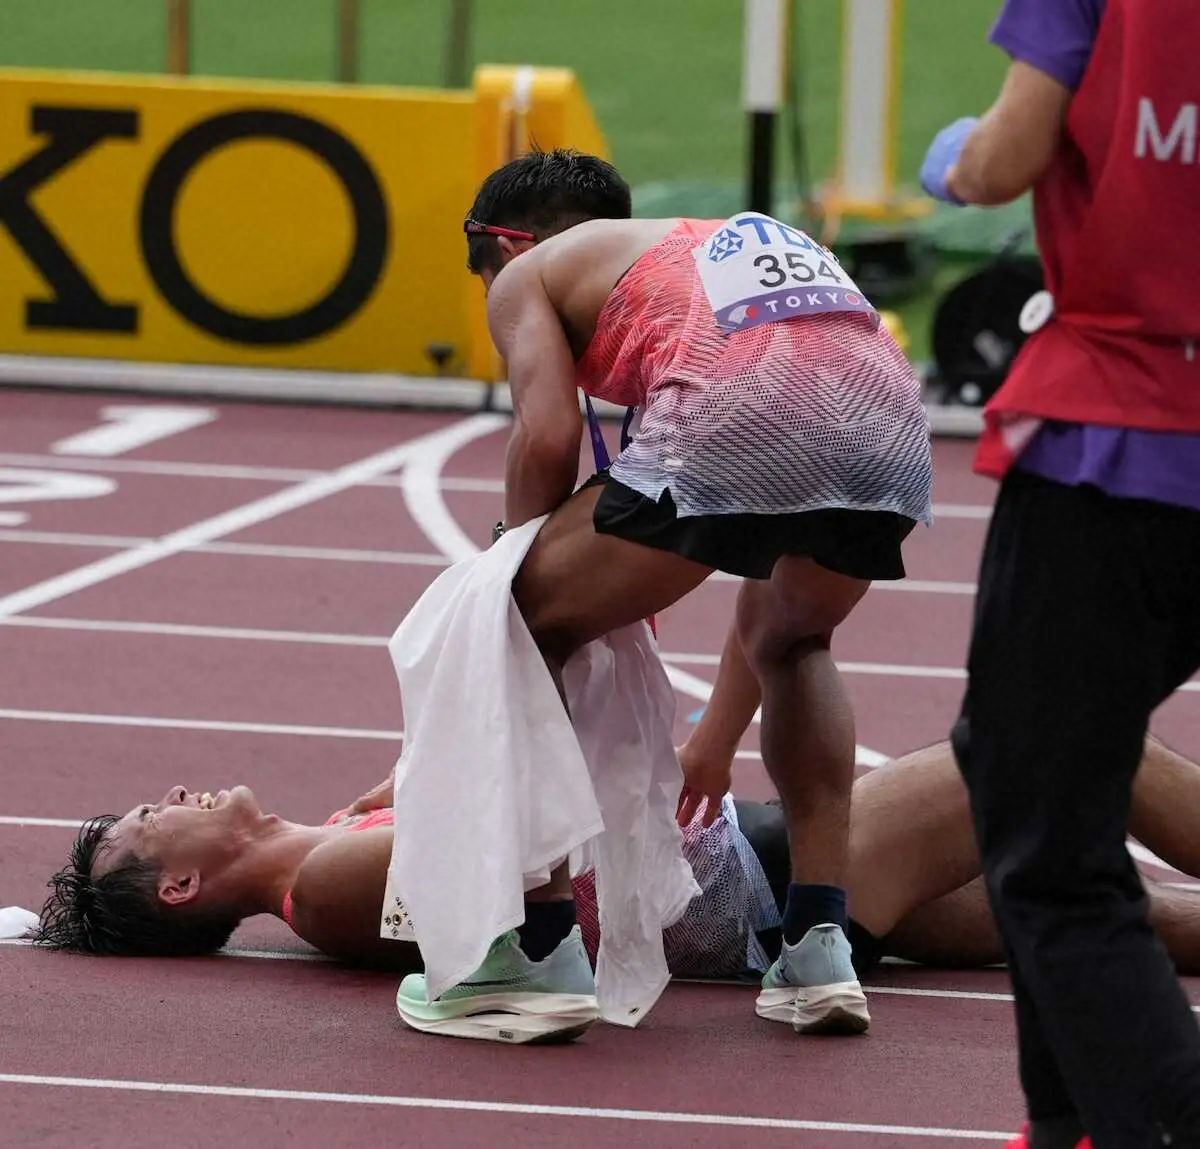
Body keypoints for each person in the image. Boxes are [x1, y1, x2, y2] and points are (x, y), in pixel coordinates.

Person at [432, 147, 934, 1039]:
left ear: (503, 245)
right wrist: (711, 740)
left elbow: (545, 436)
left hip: (740, 403)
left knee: (506, 620)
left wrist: (518, 570)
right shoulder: (706, 242)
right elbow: (756, 572)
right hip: (890, 418)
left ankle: (540, 951)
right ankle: (819, 943)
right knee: (795, 636)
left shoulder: (529, 275)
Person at [918, 1, 1200, 1146]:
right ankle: (1070, 1116)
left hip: (1119, 441)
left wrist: (953, 160)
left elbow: (1007, 156)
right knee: (1015, 765)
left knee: (1050, 851)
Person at [32, 736, 1200, 991]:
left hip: (742, 872)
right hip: (761, 875)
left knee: (1111, 913)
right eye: (150, 817)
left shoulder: (331, 850)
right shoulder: (325, 893)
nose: (173, 791)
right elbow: (537, 876)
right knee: (1069, 730)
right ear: (182, 887)